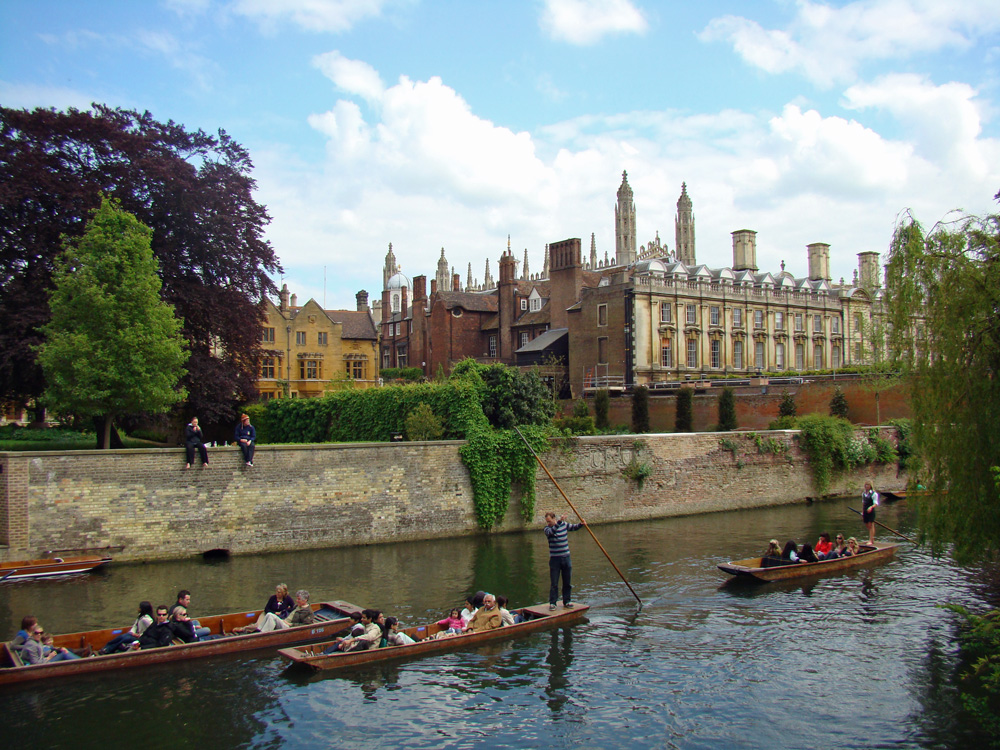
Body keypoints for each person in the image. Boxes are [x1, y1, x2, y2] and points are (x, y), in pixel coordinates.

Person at [544, 512, 582, 611]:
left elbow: (574, 527)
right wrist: (559, 522)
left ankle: (567, 601)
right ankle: (553, 603)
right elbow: (552, 532)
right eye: (547, 521)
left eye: (549, 521)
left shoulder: (564, 525)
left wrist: (581, 524)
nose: (548, 523)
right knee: (554, 583)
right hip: (554, 560)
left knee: (567, 582)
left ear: (553, 518)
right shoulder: (547, 529)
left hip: (566, 558)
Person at [248, 590, 315, 633]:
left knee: (271, 617)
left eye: (299, 599)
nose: (297, 601)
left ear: (305, 600)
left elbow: (306, 625)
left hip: (289, 627)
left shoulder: (308, 611)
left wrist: (291, 624)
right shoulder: (297, 606)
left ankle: (263, 634)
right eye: (297, 599)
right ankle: (259, 630)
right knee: (269, 614)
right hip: (284, 622)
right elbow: (288, 611)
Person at [862, 481, 880, 546]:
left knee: (871, 525)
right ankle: (871, 538)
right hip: (865, 511)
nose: (867, 486)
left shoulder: (874, 494)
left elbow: (876, 504)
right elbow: (863, 503)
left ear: (870, 486)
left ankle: (871, 540)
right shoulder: (863, 493)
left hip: (871, 511)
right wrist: (862, 512)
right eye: (866, 485)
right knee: (867, 525)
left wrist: (871, 507)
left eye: (868, 485)